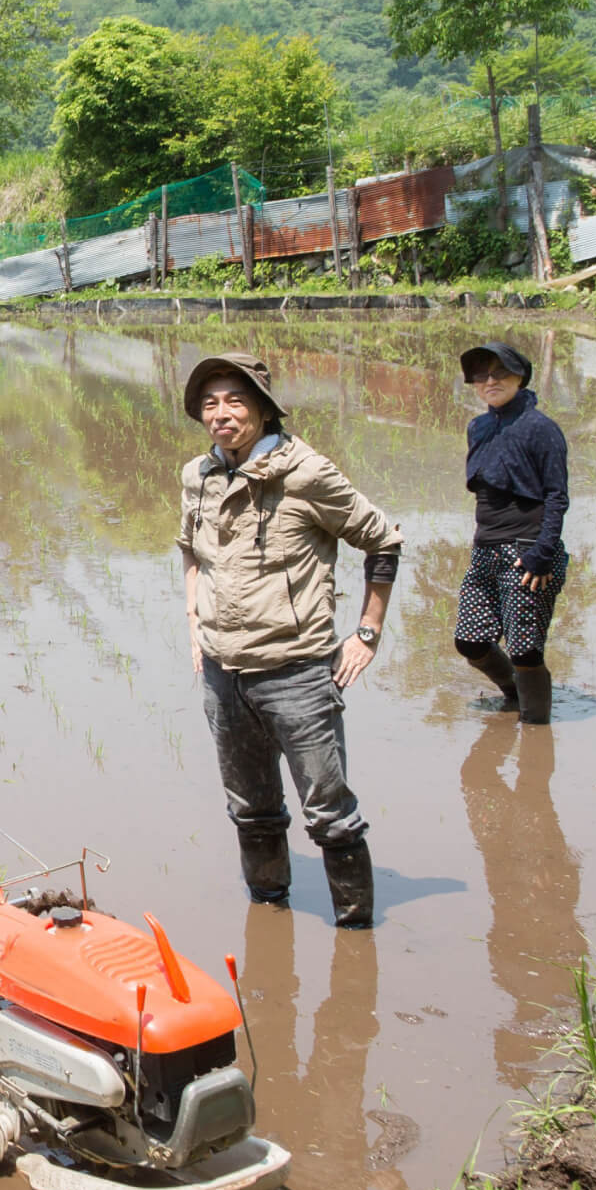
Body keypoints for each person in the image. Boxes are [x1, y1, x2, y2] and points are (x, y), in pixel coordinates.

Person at [177, 354, 402, 928]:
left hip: (297, 674)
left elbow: (382, 540)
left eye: (234, 400)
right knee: (250, 811)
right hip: (225, 678)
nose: (221, 414)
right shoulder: (197, 477)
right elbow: (191, 552)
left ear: (262, 406)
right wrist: (194, 623)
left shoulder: (306, 473)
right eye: (209, 403)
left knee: (331, 816)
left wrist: (367, 633)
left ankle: (356, 935)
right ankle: (269, 919)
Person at [453, 341, 568, 726]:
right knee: (469, 640)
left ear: (520, 376)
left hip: (528, 551)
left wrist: (543, 552)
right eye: (483, 374)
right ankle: (515, 694)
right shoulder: (479, 427)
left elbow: (556, 496)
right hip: (486, 549)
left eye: (500, 372)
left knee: (525, 649)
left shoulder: (542, 429)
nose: (491, 381)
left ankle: (536, 732)